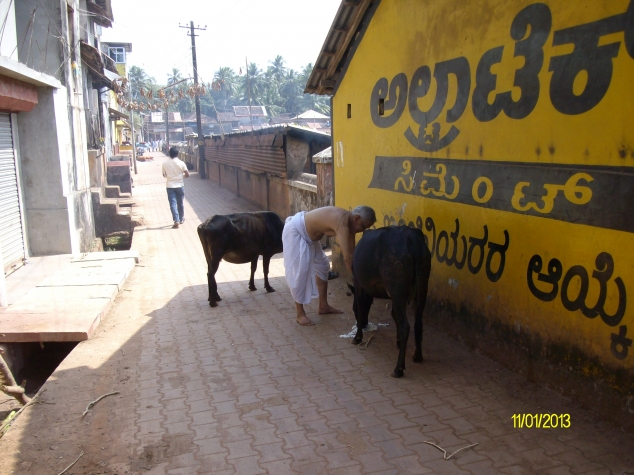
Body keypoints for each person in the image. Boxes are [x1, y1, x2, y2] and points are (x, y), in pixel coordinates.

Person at [283, 205, 377, 326]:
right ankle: (300, 314)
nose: (363, 230)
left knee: (323, 266)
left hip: (310, 238)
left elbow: (352, 253)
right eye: (363, 226)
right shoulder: (342, 222)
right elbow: (347, 258)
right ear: (356, 218)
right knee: (300, 272)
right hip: (296, 232)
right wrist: (358, 282)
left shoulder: (350, 224)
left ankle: (323, 306)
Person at [162, 146, 190, 228]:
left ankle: (176, 220)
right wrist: (181, 177)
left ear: (169, 154)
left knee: (172, 204)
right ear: (177, 154)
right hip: (180, 185)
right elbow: (187, 174)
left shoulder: (164, 163)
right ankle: (181, 218)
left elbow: (164, 175)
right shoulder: (181, 163)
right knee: (180, 202)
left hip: (170, 186)